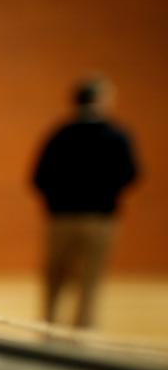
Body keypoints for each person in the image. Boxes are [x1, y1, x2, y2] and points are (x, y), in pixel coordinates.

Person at [33, 76, 140, 329]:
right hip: (99, 219)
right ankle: (83, 334)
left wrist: (58, 201)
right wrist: (104, 195)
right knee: (90, 281)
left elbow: (39, 176)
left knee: (55, 278)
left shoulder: (60, 135)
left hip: (61, 218)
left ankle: (48, 328)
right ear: (101, 100)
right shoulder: (116, 136)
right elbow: (131, 174)